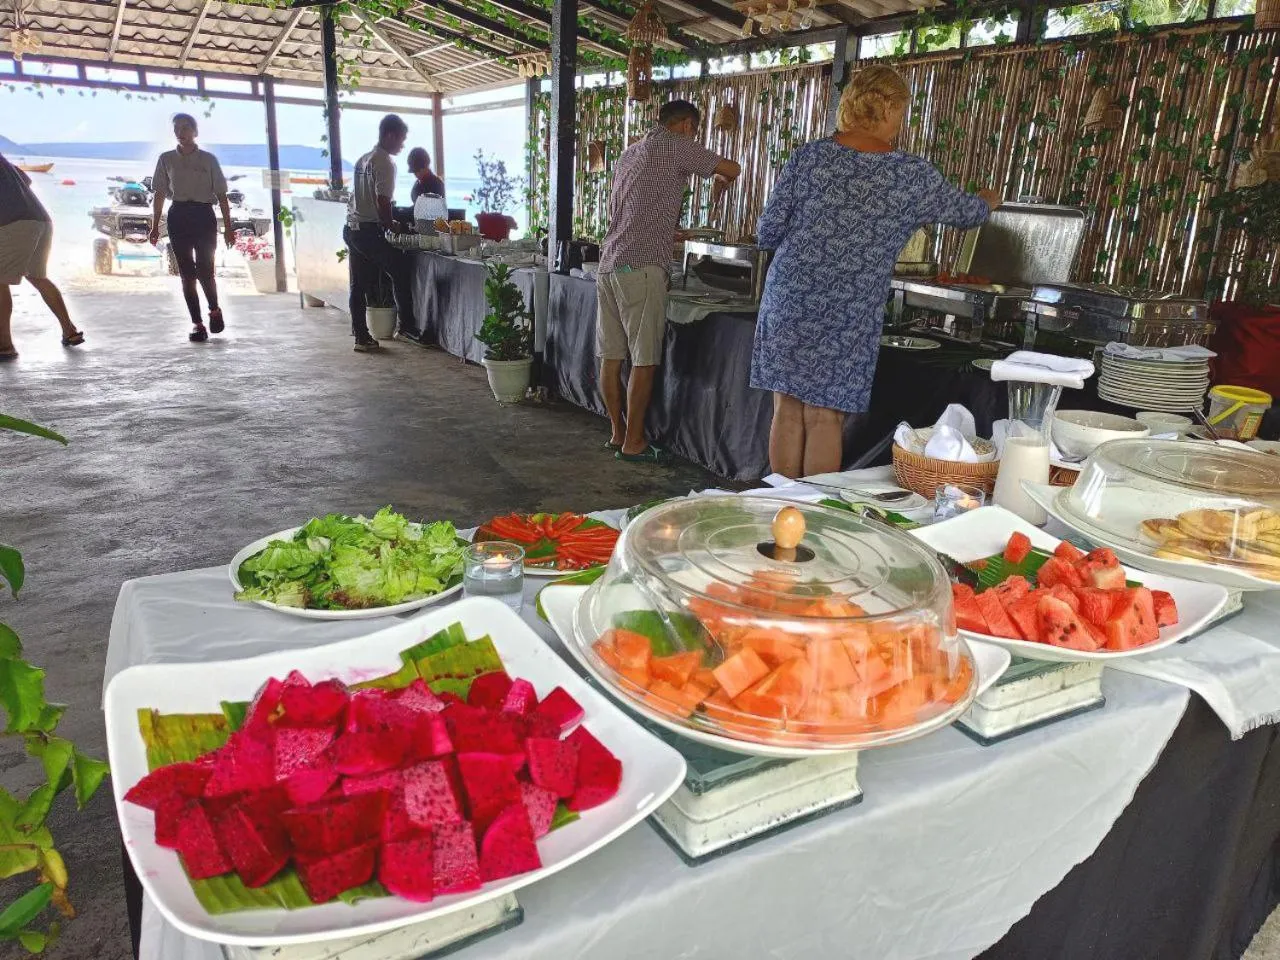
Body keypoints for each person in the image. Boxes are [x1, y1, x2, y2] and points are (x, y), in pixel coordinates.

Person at [750, 66, 1001, 478]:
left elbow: (768, 231)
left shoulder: (810, 157)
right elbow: (966, 213)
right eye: (901, 113)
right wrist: (988, 201)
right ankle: (811, 520)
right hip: (848, 309)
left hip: (790, 297)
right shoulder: (910, 175)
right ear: (888, 110)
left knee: (787, 408)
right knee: (824, 417)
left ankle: (778, 510)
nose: (901, 124)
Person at [597, 99, 741, 463]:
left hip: (610, 264)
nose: (695, 137)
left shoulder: (630, 154)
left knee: (612, 357)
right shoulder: (676, 145)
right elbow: (732, 167)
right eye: (695, 130)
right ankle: (634, 442)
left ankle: (617, 433)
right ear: (686, 125)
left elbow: (634, 210)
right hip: (643, 267)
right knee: (644, 359)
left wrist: (670, 231)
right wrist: (721, 180)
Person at [148, 114, 235, 342]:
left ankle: (214, 310)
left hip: (204, 215)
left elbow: (222, 195)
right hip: (178, 214)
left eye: (186, 128)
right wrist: (155, 225)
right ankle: (197, 323)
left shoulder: (208, 160)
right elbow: (159, 194)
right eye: (177, 128)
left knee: (206, 270)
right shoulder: (166, 159)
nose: (181, 132)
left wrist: (229, 227)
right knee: (187, 274)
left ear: (195, 132)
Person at [0, 152, 84, 361]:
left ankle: (4, 344)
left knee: (0, 280)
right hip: (40, 219)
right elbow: (26, 180)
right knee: (37, 276)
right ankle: (69, 330)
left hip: (15, 223)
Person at [345, 114, 416, 353]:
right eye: (401, 139)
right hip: (368, 231)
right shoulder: (384, 162)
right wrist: (391, 224)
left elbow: (358, 196)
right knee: (400, 270)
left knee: (358, 284)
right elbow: (382, 200)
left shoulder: (363, 159)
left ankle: (361, 335)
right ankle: (406, 326)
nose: (402, 145)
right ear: (390, 135)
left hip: (352, 228)